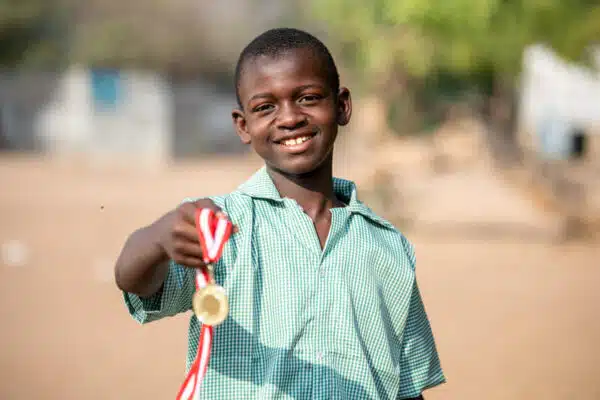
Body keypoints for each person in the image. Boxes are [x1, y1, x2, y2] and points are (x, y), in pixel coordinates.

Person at [115, 27, 445, 399]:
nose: (289, 118)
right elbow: (134, 280)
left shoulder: (388, 246)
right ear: (243, 126)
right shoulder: (217, 228)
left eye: (307, 98)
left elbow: (408, 387)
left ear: (342, 106)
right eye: (265, 107)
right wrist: (157, 238)